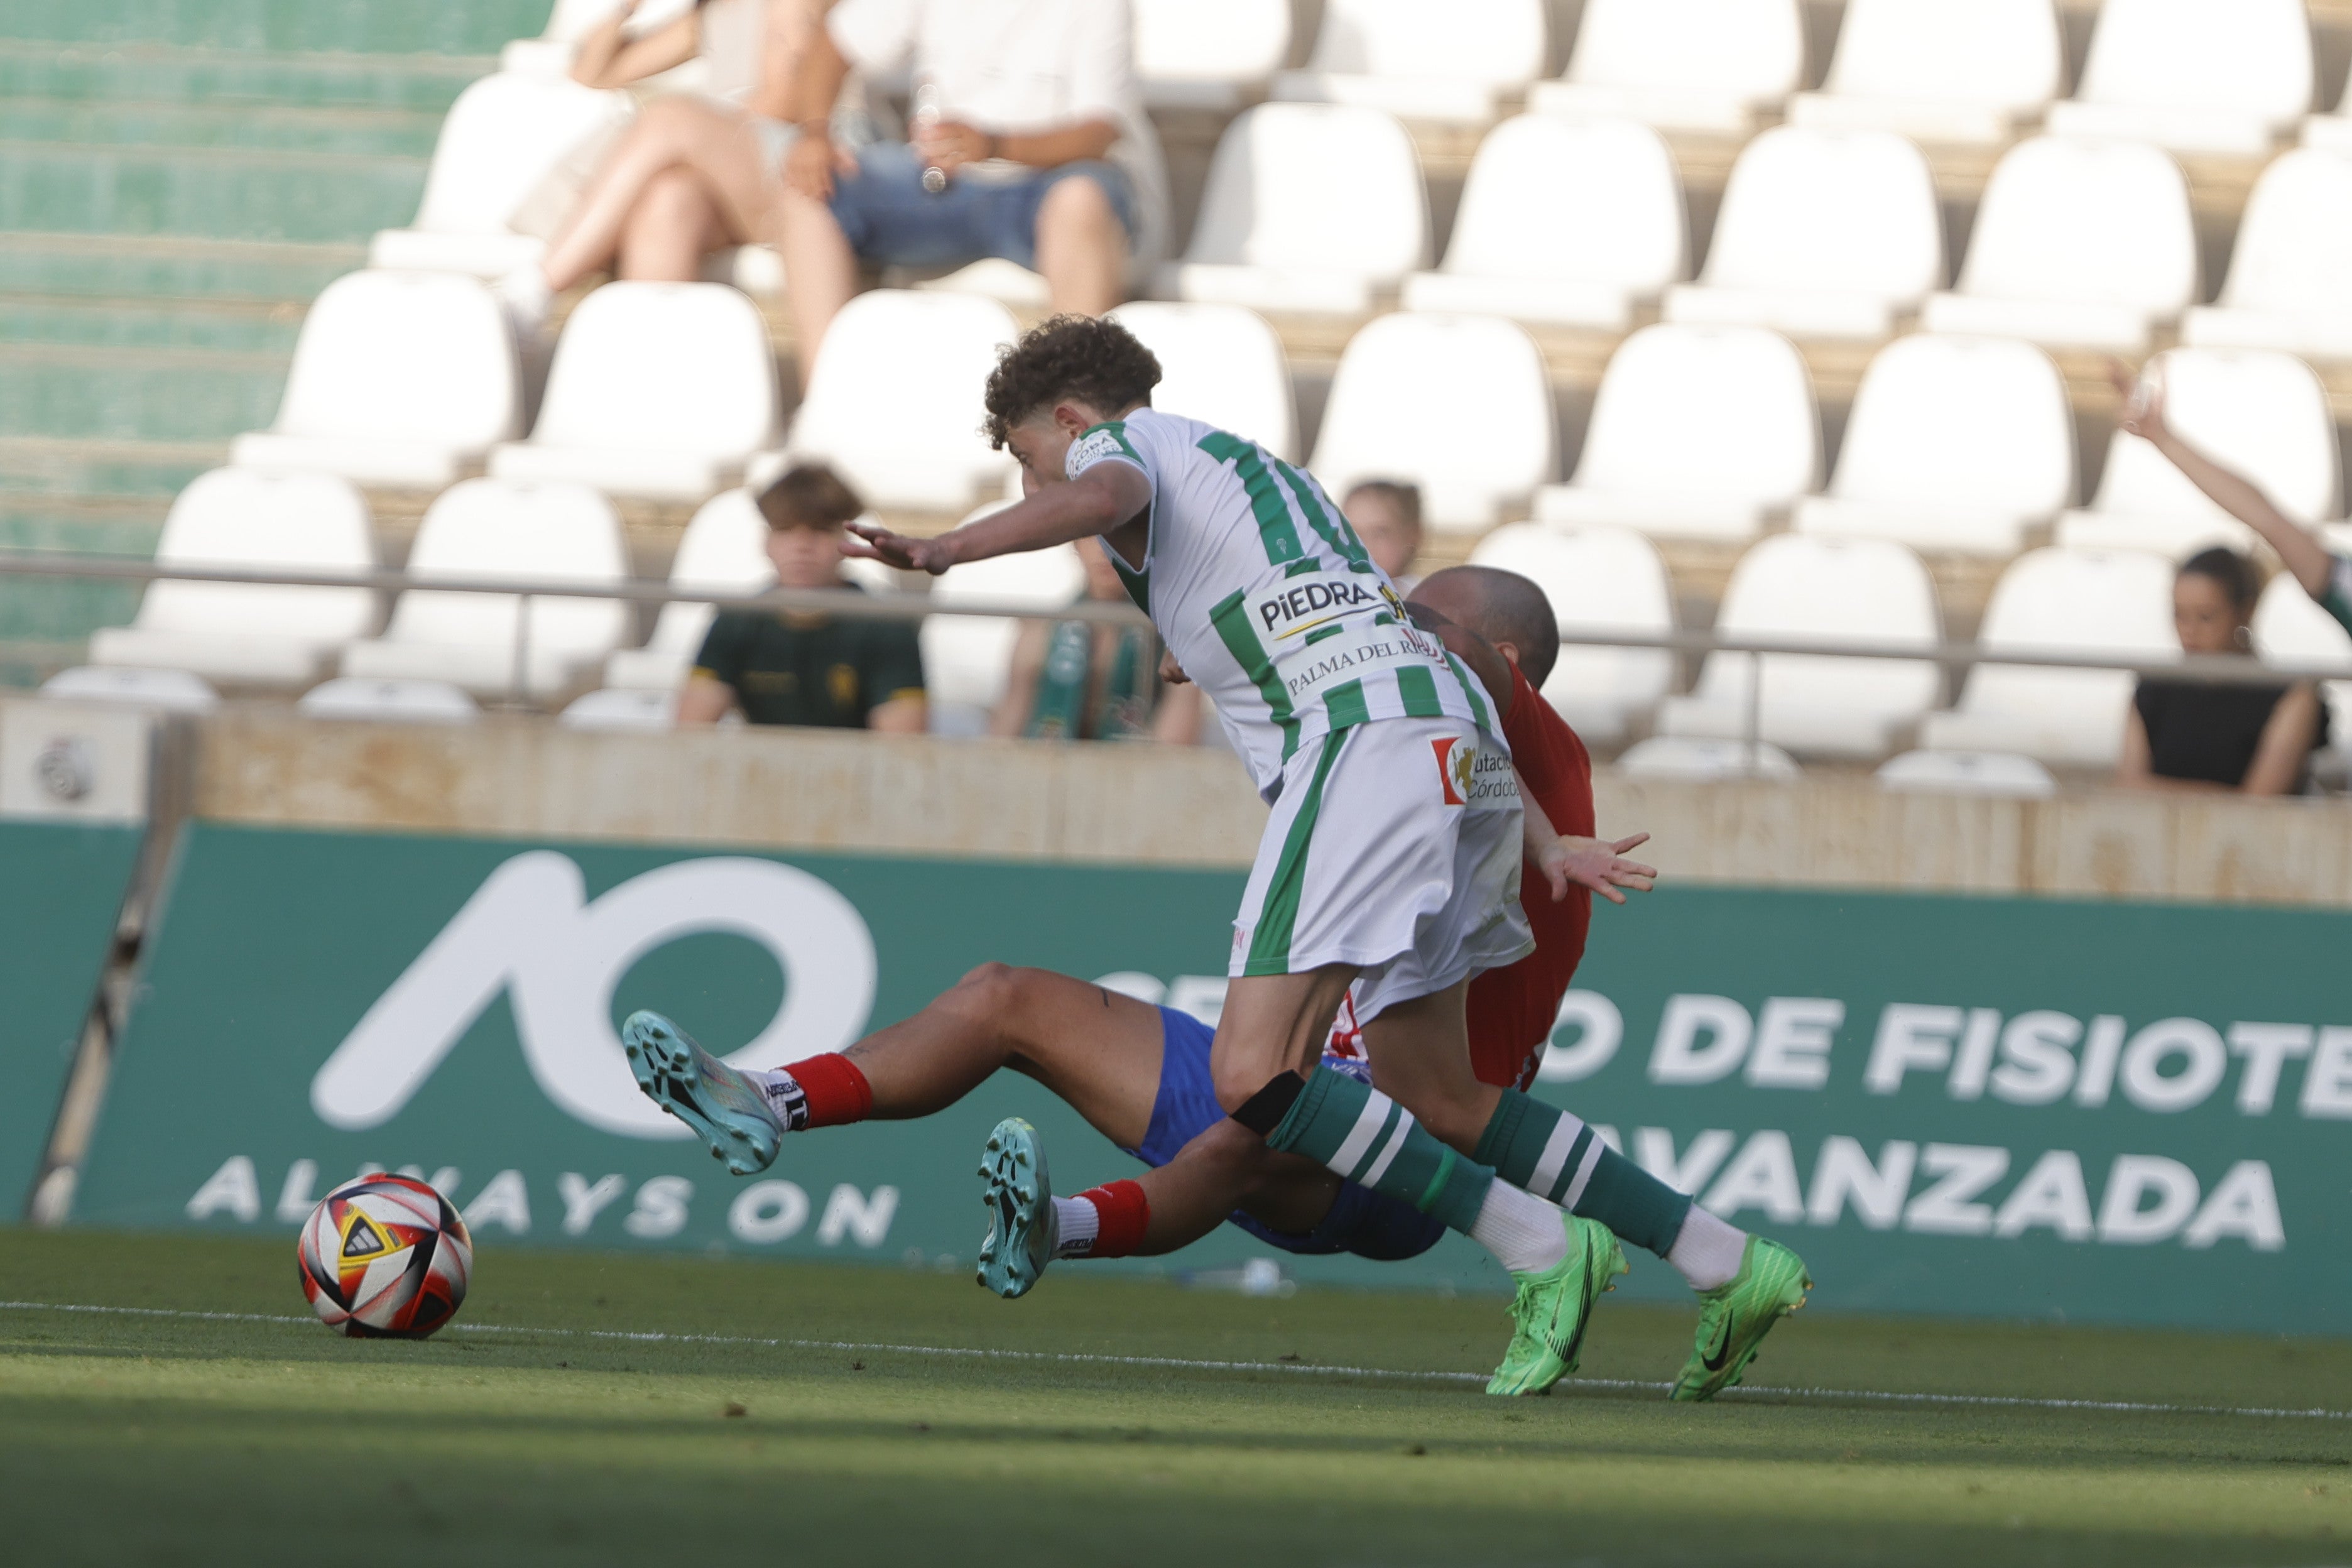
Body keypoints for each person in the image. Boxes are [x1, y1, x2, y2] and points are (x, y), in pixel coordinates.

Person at [824, 315, 1807, 1391]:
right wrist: (1542, 835)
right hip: (1448, 775)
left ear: (1065, 419)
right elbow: (1406, 654)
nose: (1033, 481)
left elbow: (1100, 497)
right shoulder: (1277, 488)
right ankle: (1729, 1261)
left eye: (1022, 458)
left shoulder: (1122, 450)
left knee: (1254, 1076)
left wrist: (949, 549)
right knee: (1435, 1092)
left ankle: (1540, 1244)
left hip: (1358, 758)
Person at [626, 569, 1806, 1400]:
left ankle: (1065, 1228)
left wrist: (1309, 617)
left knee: (1256, 1111)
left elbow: (1445, 669)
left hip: (1408, 1158)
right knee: (1002, 995)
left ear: (1493, 664)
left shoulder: (1517, 734)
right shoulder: (1419, 754)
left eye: (1422, 630)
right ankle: (765, 1102)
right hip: (1322, 1074)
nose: (1395, 644)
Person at [777, 0, 1164, 383]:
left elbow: (1099, 133)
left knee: (1080, 199)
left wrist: (995, 146)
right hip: (943, 183)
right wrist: (815, 134)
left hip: (1049, 189)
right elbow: (833, 44)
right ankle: (826, 408)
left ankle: (1082, 426)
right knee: (809, 190)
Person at [500, 0, 835, 330]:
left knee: (669, 119)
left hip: (799, 173)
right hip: (733, 180)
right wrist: (627, 8)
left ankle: (539, 287)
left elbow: (787, 104)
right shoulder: (707, 17)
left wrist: (700, 134)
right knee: (668, 200)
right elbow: (591, 73)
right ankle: (654, 373)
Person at [2108, 365, 2330, 794]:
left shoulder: (2290, 696)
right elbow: (2269, 520)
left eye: (2206, 616)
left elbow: (2255, 808)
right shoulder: (2155, 689)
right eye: (2180, 615)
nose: (2190, 631)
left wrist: (2159, 793)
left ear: (2243, 611)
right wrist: (2163, 439)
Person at [678, 463, 926, 730]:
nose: (802, 546)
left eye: (820, 530)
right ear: (766, 542)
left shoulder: (887, 626)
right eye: (785, 529)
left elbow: (902, 749)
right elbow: (688, 733)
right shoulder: (736, 620)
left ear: (847, 541)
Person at [991, 537, 1187, 742]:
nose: (1104, 551)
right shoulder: (1040, 633)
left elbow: (1175, 746)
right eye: (1092, 536)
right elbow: (1004, 735)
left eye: (1117, 534)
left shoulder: (1171, 639)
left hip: (1133, 770)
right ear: (1075, 545)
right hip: (1047, 769)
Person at [1344, 480, 1425, 591]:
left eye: (1379, 533)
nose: (1362, 545)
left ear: (1413, 535)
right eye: (1351, 533)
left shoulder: (1421, 599)